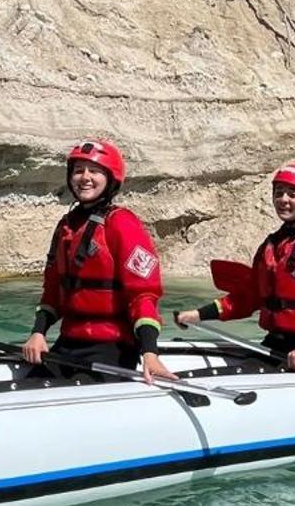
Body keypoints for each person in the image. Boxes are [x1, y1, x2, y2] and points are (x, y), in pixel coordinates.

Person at [20, 139, 179, 387]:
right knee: (30, 387)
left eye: (94, 171)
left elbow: (143, 295)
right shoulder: (66, 226)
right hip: (68, 342)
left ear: (110, 178)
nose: (85, 177)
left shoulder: (122, 223)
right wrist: (38, 333)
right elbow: (52, 291)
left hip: (112, 347)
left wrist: (150, 352)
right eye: (78, 170)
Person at [174, 162, 295, 372]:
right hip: (277, 343)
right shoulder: (271, 245)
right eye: (279, 193)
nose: (283, 200)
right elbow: (247, 297)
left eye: (292, 195)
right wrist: (197, 315)